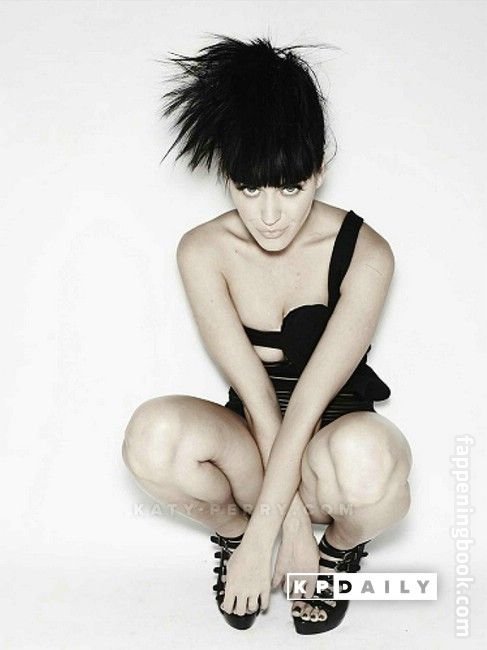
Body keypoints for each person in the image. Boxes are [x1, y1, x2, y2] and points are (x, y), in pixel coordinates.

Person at [122, 34, 413, 635]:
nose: (270, 215)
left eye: (291, 187)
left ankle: (337, 551)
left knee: (373, 464)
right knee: (152, 435)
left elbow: (307, 403)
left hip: (329, 453)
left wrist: (295, 529)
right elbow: (258, 398)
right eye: (249, 188)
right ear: (227, 176)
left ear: (320, 172)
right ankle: (233, 538)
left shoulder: (367, 254)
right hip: (252, 450)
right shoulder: (203, 250)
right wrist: (264, 534)